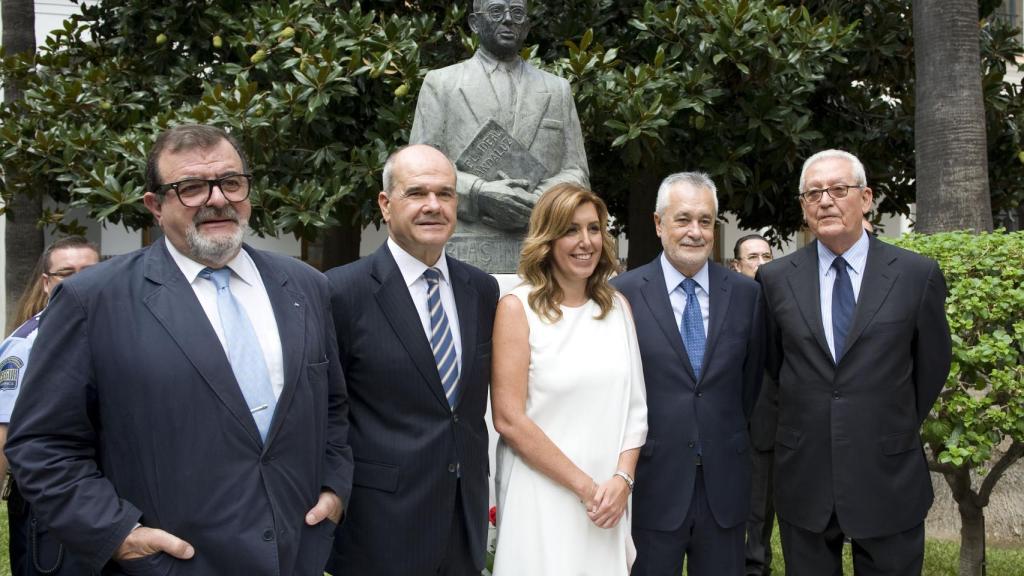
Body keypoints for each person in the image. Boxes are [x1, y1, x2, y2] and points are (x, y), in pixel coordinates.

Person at [5, 124, 353, 575]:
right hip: (168, 564)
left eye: (231, 182)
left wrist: (334, 489)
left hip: (293, 555)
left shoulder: (304, 286)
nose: (217, 199)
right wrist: (117, 533)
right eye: (191, 187)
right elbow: (41, 444)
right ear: (154, 205)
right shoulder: (92, 300)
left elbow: (332, 407)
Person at [757, 149, 951, 576]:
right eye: (813, 193)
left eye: (838, 190)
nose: (825, 201)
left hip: (888, 473)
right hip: (804, 477)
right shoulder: (774, 280)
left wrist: (885, 419)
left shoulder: (916, 275)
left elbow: (932, 366)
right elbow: (774, 365)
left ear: (865, 198)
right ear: (804, 207)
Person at [325, 145, 500, 576]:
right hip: (380, 522)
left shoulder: (481, 290)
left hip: (464, 514)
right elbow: (328, 408)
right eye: (417, 193)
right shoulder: (341, 293)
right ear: (386, 204)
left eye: (445, 194)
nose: (433, 206)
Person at [490, 183, 648, 575]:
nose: (586, 242)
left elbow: (636, 409)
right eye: (571, 230)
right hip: (543, 494)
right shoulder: (517, 309)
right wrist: (585, 487)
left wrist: (622, 482)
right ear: (547, 238)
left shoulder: (617, 308)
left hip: (608, 501)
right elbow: (509, 419)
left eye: (594, 229)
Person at [612, 172, 764, 576]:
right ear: (659, 224)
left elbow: (750, 385)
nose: (695, 232)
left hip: (725, 487)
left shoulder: (748, 295)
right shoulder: (621, 294)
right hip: (652, 484)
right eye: (683, 219)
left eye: (705, 220)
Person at [409, 0, 589, 270]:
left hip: (540, 252)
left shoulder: (557, 89)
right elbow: (418, 173)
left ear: (526, 27)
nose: (507, 20)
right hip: (464, 252)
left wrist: (537, 201)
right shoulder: (442, 84)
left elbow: (577, 172)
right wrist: (480, 193)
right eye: (496, 11)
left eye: (516, 13)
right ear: (474, 23)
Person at [1, 236, 100, 576]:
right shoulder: (27, 345)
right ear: (47, 284)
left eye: (90, 271)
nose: (80, 281)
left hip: (105, 499)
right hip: (49, 505)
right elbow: (4, 431)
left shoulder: (116, 331)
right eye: (67, 273)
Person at [729, 234, 778, 576]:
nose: (761, 263)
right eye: (753, 257)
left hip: (768, 427)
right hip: (728, 426)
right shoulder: (728, 303)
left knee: (760, 514)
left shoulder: (783, 303)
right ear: (737, 265)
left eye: (767, 256)